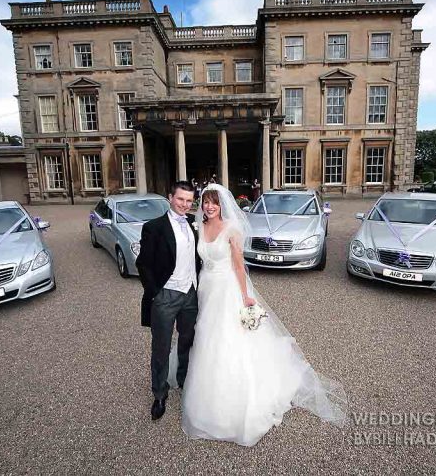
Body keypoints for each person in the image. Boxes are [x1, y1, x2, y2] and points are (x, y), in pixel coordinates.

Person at [175, 184, 347, 446]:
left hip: (226, 289)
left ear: (222, 205)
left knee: (226, 338)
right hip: (206, 289)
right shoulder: (198, 225)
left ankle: (234, 398)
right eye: (206, 202)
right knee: (205, 335)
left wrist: (245, 297)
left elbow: (238, 266)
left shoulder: (232, 229)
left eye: (214, 203)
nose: (209, 207)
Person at [135, 181, 201, 421]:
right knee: (161, 347)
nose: (184, 204)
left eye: (189, 200)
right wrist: (155, 292)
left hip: (191, 294)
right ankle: (159, 394)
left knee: (187, 341)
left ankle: (184, 382)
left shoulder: (196, 223)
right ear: (170, 197)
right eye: (180, 199)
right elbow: (143, 263)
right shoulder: (154, 227)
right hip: (166, 295)